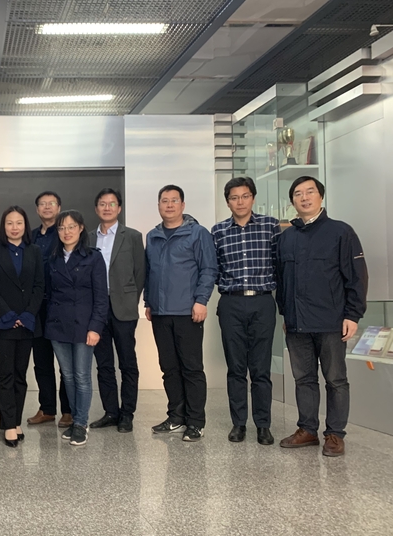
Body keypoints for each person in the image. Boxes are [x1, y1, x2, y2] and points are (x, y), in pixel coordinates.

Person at [276, 176, 368, 457]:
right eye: (298, 194)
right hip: (296, 323)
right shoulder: (286, 238)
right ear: (292, 201)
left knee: (336, 379)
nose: (304, 198)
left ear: (320, 196)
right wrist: (286, 314)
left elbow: (357, 277)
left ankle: (335, 434)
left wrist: (353, 314)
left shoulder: (341, 232)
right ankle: (307, 430)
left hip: (331, 321)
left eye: (310, 192)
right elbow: (282, 280)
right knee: (303, 379)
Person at [145, 184, 217, 442]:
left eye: (174, 200)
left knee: (192, 368)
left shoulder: (198, 233)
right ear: (158, 205)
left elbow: (208, 269)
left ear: (183, 205)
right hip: (160, 313)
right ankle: (176, 416)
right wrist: (149, 301)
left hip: (188, 312)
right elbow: (150, 271)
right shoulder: (152, 236)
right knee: (169, 368)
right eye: (164, 201)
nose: (169, 205)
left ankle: (196, 421)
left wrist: (201, 301)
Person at [211, 177, 279, 445]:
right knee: (236, 367)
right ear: (227, 202)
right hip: (232, 303)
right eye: (234, 197)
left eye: (245, 196)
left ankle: (263, 425)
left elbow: (279, 265)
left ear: (253, 198)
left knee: (261, 368)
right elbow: (213, 268)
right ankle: (238, 423)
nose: (240, 202)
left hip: (262, 302)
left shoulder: (270, 226)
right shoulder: (218, 231)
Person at [45, 210, 108, 446]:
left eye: (71, 227)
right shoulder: (53, 259)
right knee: (68, 376)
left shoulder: (93, 257)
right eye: (62, 228)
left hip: (84, 325)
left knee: (82, 376)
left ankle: (81, 423)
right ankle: (74, 419)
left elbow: (101, 298)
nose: (66, 232)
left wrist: (95, 327)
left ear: (81, 228)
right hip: (58, 325)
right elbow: (49, 294)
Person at [0, 206, 44, 447]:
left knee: (20, 374)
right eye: (10, 223)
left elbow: (39, 286)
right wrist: (9, 314)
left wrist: (27, 314)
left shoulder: (35, 251)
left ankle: (16, 420)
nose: (14, 227)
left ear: (25, 225)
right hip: (3, 323)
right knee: (5, 374)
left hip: (27, 323)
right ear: (3, 226)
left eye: (19, 222)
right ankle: (8, 424)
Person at [88, 188, 145, 433]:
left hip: (123, 308)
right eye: (102, 203)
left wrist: (132, 300)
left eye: (112, 204)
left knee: (127, 363)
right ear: (96, 208)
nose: (107, 208)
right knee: (103, 364)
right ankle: (111, 412)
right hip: (97, 310)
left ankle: (127, 413)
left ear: (119, 208)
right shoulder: (88, 238)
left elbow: (140, 272)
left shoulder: (132, 236)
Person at [26, 191, 72, 428]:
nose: (47, 207)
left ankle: (68, 410)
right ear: (37, 209)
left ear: (59, 207)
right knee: (41, 361)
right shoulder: (31, 236)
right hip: (37, 306)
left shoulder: (65, 234)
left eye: (51, 203)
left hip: (60, 305)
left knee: (65, 362)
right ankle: (47, 408)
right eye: (42, 204)